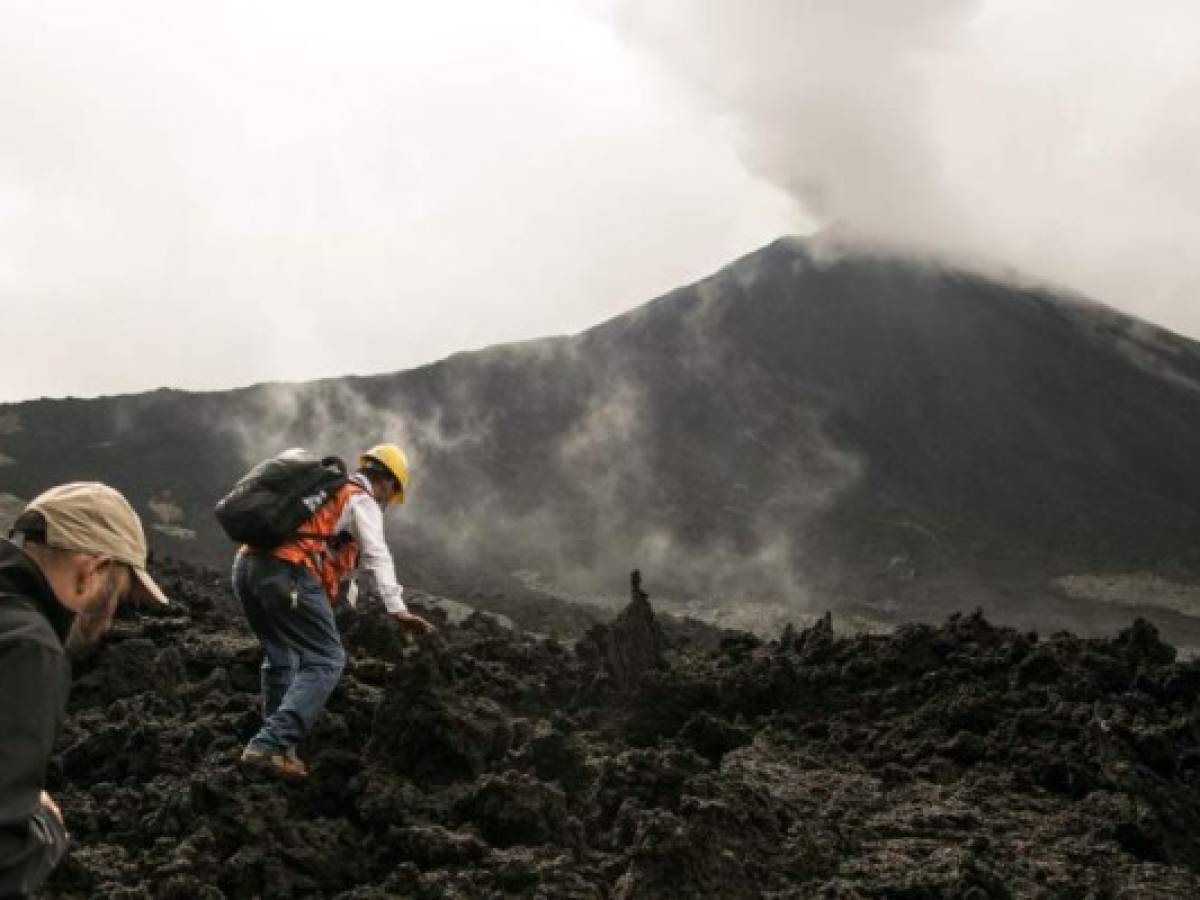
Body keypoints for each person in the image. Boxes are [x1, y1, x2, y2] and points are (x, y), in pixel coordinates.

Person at [0, 483, 169, 898]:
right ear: (91, 571)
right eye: (120, 597)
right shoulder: (28, 649)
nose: (110, 622)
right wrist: (45, 829)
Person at [235, 443, 434, 780]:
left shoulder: (324, 492)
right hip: (288, 570)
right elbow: (377, 554)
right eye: (391, 493)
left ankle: (280, 753)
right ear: (386, 482)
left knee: (281, 656)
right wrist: (397, 609)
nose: (387, 501)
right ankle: (268, 744)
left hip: (246, 566)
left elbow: (341, 564)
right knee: (327, 660)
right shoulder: (360, 498)